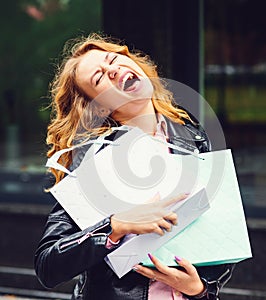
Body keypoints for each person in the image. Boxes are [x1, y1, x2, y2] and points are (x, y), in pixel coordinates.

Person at [34, 33, 235, 300]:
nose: (113, 69)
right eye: (99, 78)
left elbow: (221, 242)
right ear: (100, 108)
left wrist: (198, 289)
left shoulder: (193, 140)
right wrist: (115, 226)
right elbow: (48, 265)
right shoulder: (92, 161)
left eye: (113, 58)